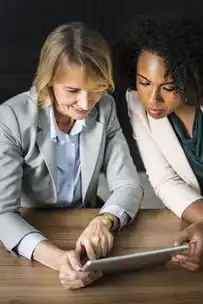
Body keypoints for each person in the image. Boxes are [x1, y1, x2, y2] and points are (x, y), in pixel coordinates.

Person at [0, 22, 143, 289]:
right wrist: (57, 260)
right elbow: (2, 213)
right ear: (48, 81)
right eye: (73, 91)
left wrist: (104, 220)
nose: (86, 104)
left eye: (97, 88)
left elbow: (129, 185)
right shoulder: (10, 118)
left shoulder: (106, 108)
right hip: (32, 231)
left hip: (86, 225)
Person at [114, 16, 203, 271]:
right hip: (198, 216)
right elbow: (164, 180)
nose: (152, 98)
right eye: (144, 82)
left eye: (168, 87)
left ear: (188, 77)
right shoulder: (137, 103)